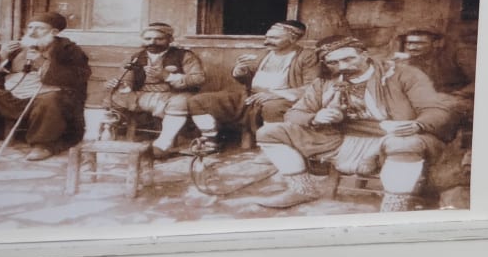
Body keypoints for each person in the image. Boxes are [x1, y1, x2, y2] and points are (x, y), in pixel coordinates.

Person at [255, 35, 459, 211]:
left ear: (364, 54)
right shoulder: (325, 81)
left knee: (403, 143)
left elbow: (438, 110)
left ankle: (393, 207)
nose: (342, 67)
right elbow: (294, 114)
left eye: (348, 59)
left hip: (392, 137)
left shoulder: (402, 74)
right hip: (339, 139)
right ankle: (302, 189)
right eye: (333, 63)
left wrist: (417, 125)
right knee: (270, 132)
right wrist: (315, 117)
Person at [0, 12, 90, 161]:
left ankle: (43, 145)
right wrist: (3, 55)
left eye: (39, 28)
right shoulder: (18, 47)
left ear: (54, 32)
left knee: (50, 100)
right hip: (12, 95)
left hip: (46, 94)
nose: (32, 32)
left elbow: (77, 77)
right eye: (30, 27)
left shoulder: (69, 50)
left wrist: (41, 63)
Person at [186, 19, 316, 153]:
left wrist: (275, 95)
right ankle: (210, 141)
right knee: (199, 101)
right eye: (267, 37)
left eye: (274, 38)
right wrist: (240, 71)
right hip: (250, 96)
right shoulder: (267, 53)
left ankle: (273, 149)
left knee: (272, 107)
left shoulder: (306, 57)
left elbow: (312, 87)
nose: (267, 41)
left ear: (293, 39)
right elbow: (249, 79)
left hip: (282, 99)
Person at [104, 22, 205, 158]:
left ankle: (163, 144)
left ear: (170, 39)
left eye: (159, 39)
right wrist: (118, 84)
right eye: (148, 39)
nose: (152, 42)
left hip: (173, 95)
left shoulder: (185, 56)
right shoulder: (135, 57)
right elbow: (125, 79)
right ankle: (109, 136)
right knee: (115, 96)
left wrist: (167, 76)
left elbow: (198, 78)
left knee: (181, 102)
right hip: (142, 95)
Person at [391, 28, 471, 95]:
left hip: (454, 98)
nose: (412, 48)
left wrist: (459, 94)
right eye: (409, 43)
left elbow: (475, 83)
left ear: (435, 44)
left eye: (419, 43)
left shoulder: (457, 54)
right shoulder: (405, 60)